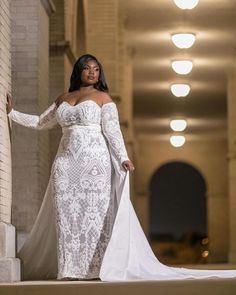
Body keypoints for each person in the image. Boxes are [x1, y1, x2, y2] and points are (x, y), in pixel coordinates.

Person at [6, 54, 236, 281]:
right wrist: (11, 113)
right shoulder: (62, 98)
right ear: (78, 70)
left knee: (95, 216)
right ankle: (69, 269)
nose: (92, 73)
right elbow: (40, 122)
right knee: (67, 217)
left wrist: (123, 158)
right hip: (65, 167)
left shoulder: (104, 99)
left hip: (95, 165)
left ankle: (97, 268)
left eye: (96, 69)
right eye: (87, 68)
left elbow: (113, 132)